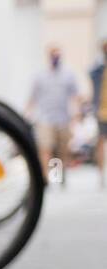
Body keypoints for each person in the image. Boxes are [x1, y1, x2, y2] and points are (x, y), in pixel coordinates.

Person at [27, 46, 82, 188]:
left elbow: (75, 95)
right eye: (53, 55)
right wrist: (28, 112)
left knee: (62, 150)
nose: (55, 58)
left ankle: (59, 174)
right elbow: (33, 96)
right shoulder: (40, 75)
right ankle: (46, 178)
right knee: (46, 148)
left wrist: (77, 113)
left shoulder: (68, 75)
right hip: (45, 118)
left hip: (63, 118)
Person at [92, 40, 107, 187]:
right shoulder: (98, 69)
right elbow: (90, 72)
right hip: (102, 112)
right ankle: (101, 174)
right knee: (101, 143)